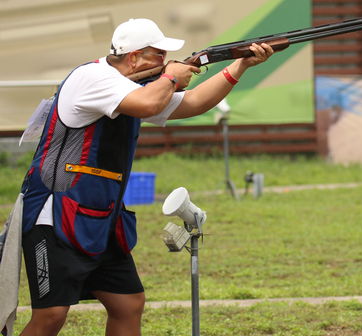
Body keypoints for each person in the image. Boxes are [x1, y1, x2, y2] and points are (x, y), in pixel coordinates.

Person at [17, 18, 274, 336]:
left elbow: (193, 103)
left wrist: (240, 66)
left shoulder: (134, 87)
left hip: (100, 216)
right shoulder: (93, 77)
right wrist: (170, 78)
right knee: (51, 315)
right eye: (158, 54)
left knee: (128, 304)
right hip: (55, 214)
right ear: (133, 57)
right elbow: (151, 101)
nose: (165, 61)